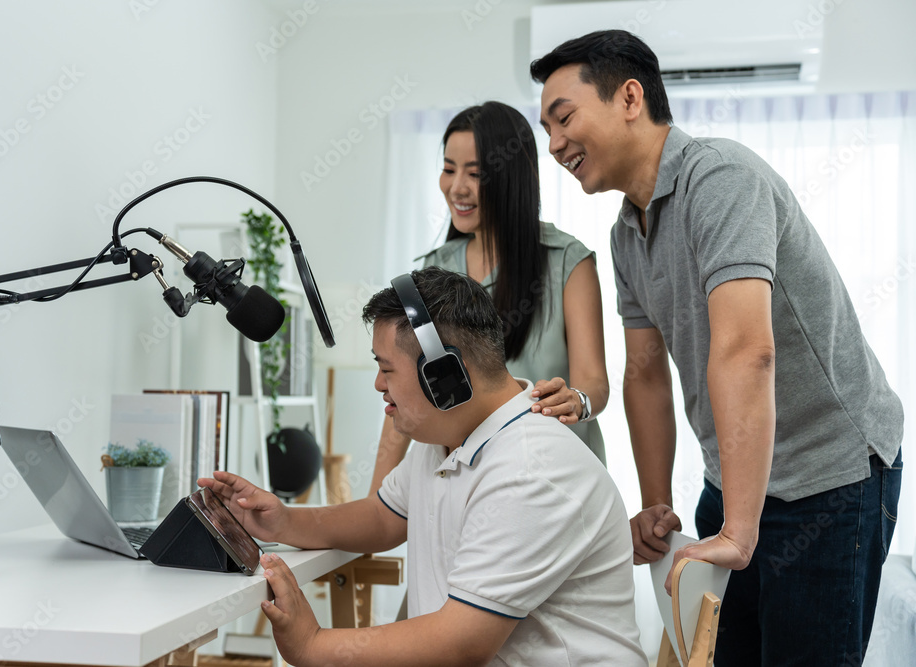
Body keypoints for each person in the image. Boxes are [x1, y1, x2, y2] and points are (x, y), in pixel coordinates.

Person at [529, 29, 904, 665]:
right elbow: (645, 373)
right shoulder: (626, 233)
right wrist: (656, 503)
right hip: (730, 480)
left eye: (564, 117)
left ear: (629, 97)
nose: (555, 142)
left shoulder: (721, 179)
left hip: (828, 476)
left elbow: (746, 352)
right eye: (546, 128)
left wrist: (739, 530)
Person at [200, 267, 645, 667]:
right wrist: (282, 520)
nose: (378, 384)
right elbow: (381, 517)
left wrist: (314, 645)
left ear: (444, 375)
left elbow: (462, 644)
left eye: (386, 369)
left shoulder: (530, 469)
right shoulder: (448, 440)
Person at [368, 101, 609, 498]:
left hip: (552, 482)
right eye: (448, 169)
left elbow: (594, 383)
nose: (456, 187)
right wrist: (373, 505)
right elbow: (403, 391)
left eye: (475, 173)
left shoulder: (567, 261)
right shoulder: (436, 268)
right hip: (461, 485)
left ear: (511, 177)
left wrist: (577, 400)